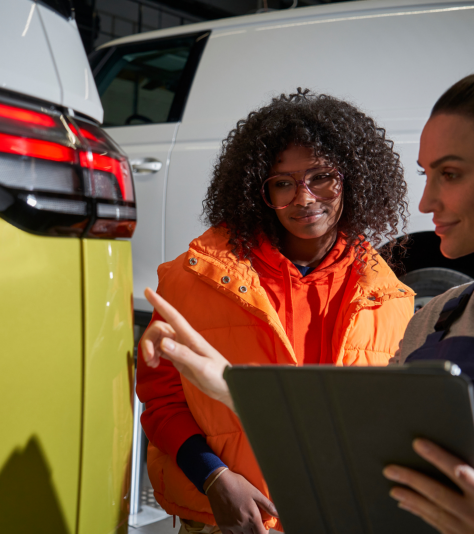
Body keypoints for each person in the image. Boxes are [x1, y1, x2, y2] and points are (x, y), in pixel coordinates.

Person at [140, 42, 474, 534]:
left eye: (449, 173)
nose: (425, 203)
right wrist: (230, 387)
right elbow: (355, 433)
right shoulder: (439, 317)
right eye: (426, 174)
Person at [136, 89, 414, 534]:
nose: (304, 198)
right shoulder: (192, 280)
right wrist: (214, 478)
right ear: (256, 190)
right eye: (283, 183)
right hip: (224, 520)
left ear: (355, 177)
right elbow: (162, 399)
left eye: (322, 177)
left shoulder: (393, 300)